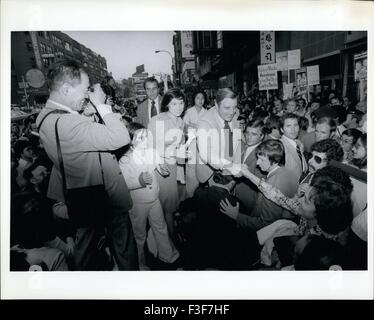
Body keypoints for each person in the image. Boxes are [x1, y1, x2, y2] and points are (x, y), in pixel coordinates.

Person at [35, 59, 138, 270]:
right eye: (84, 89)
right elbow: (120, 136)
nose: (87, 94)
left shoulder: (46, 117)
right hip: (104, 197)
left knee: (88, 252)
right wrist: (101, 104)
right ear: (65, 89)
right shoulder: (68, 123)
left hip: (84, 195)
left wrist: (84, 114)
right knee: (124, 251)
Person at [119, 122, 179, 270]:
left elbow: (159, 166)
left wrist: (163, 169)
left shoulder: (152, 152)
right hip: (138, 203)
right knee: (139, 235)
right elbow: (124, 183)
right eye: (141, 138)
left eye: (146, 136)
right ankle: (140, 264)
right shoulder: (125, 159)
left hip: (154, 199)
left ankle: (168, 255)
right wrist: (138, 181)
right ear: (131, 140)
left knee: (161, 227)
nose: (146, 140)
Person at [220, 139, 299, 232]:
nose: (257, 163)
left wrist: (236, 216)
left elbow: (266, 224)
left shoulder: (273, 182)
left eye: (261, 159)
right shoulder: (288, 173)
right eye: (258, 158)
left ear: (274, 161)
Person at [148, 88, 187, 240]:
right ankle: (171, 242)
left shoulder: (181, 121)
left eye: (181, 103)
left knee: (171, 205)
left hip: (174, 167)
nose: (179, 107)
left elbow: (181, 145)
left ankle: (169, 238)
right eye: (174, 104)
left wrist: (181, 166)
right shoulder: (158, 120)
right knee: (166, 207)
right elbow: (150, 147)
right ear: (167, 105)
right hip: (161, 167)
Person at [195, 88, 242, 185]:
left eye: (235, 107)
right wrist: (229, 166)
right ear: (216, 105)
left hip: (231, 169)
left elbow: (236, 141)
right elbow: (206, 154)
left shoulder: (235, 113)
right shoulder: (204, 122)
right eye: (227, 108)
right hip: (211, 174)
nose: (232, 112)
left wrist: (237, 163)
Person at [233, 119, 266, 213]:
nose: (248, 137)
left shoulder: (263, 154)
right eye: (247, 133)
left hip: (250, 201)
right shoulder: (243, 146)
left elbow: (260, 183)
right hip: (237, 196)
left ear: (262, 136)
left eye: (254, 134)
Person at [183, 90, 208, 197]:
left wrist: (194, 125)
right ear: (194, 99)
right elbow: (184, 127)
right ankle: (191, 197)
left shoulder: (207, 113)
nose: (200, 100)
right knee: (190, 173)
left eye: (202, 98)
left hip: (204, 146)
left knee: (202, 172)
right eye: (198, 98)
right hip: (191, 144)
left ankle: (201, 197)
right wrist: (194, 126)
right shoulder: (189, 112)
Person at [279, 113, 307, 181]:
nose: (293, 129)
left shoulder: (297, 143)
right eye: (288, 126)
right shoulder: (280, 146)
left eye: (295, 125)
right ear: (282, 129)